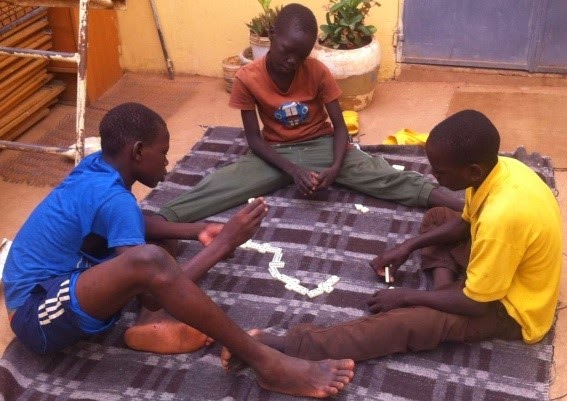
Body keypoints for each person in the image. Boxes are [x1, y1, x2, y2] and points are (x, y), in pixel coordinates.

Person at [2, 102, 355, 398]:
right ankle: (266, 362)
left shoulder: (96, 169)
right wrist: (224, 243)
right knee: (150, 260)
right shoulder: (114, 199)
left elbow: (132, 223)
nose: (167, 164)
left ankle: (147, 328)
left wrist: (197, 231)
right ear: (138, 151)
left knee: (158, 239)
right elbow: (151, 290)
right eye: (163, 154)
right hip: (34, 314)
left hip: (64, 278)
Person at [220, 109, 563, 364]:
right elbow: (463, 224)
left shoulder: (502, 216)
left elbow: (477, 304)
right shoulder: (501, 169)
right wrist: (406, 246)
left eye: (441, 172)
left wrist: (409, 297)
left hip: (508, 309)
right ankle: (443, 291)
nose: (434, 176)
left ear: (472, 171)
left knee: (405, 323)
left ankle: (291, 346)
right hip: (500, 264)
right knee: (438, 217)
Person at [157, 3, 463, 226]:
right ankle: (161, 221)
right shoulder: (247, 78)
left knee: (379, 176)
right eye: (286, 50)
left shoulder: (317, 71)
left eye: (301, 55)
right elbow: (254, 139)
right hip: (275, 152)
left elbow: (340, 127)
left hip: (322, 145)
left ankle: (461, 205)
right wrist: (293, 171)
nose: (292, 61)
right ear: (272, 36)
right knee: (224, 184)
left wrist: (335, 166)